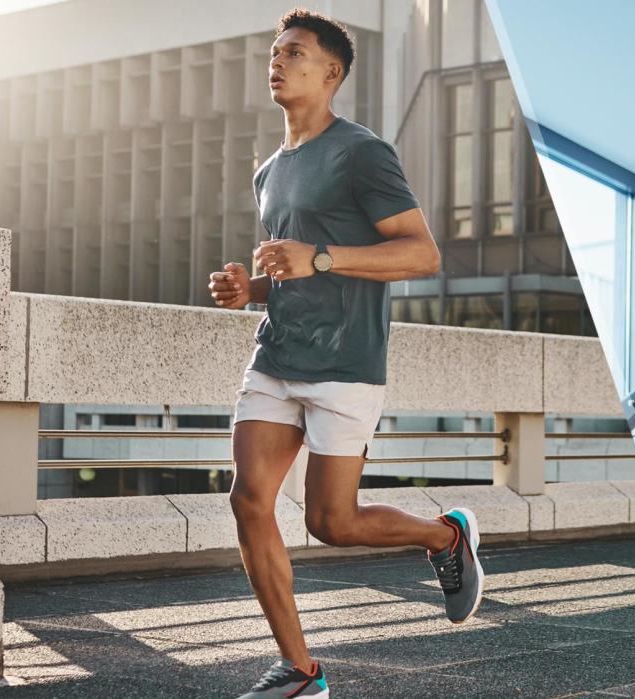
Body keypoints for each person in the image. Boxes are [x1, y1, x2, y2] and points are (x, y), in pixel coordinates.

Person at [206, 10, 483, 698]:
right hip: (277, 356)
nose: (277, 61)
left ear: (331, 72)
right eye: (274, 51)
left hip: (347, 363)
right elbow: (297, 272)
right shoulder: (268, 170)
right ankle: (301, 671)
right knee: (248, 500)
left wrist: (321, 256)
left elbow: (421, 253)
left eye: (293, 52)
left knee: (333, 521)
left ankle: (446, 536)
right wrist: (253, 288)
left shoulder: (362, 152)